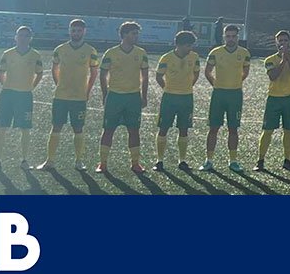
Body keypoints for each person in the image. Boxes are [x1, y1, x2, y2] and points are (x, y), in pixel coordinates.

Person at [36, 19, 98, 172]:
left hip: (79, 97)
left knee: (78, 128)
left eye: (79, 30)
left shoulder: (91, 51)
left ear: (84, 31)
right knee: (56, 127)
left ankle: (78, 161)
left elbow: (94, 72)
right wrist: (59, 85)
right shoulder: (60, 49)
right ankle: (50, 161)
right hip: (61, 96)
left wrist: (87, 90)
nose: (76, 33)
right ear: (69, 31)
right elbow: (54, 68)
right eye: (73, 30)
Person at [97, 21, 149, 175]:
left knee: (134, 130)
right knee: (108, 130)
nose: (136, 36)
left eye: (137, 33)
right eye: (133, 33)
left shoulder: (141, 53)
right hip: (115, 97)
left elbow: (145, 77)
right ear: (124, 34)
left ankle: (135, 163)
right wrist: (105, 94)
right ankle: (103, 163)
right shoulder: (111, 53)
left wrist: (144, 96)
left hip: (133, 97)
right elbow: (102, 75)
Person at [0, 25, 42, 171]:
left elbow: (39, 73)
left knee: (25, 128)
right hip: (8, 95)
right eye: (20, 35)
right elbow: (2, 72)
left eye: (26, 35)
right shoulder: (7, 53)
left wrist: (31, 87)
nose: (23, 38)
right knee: (2, 127)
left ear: (30, 38)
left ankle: (24, 160)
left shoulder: (35, 55)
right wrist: (6, 86)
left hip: (25, 95)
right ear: (15, 37)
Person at [202, 24, 251, 172]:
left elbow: (245, 71)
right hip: (219, 94)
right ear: (224, 37)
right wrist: (215, 84)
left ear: (238, 37)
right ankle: (208, 160)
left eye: (233, 36)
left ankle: (233, 161)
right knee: (213, 128)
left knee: (233, 128)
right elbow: (208, 71)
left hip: (235, 95)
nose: (231, 39)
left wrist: (236, 83)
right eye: (228, 36)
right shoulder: (215, 52)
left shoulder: (244, 53)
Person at [154, 30, 201, 171]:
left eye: (191, 45)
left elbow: (196, 73)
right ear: (178, 45)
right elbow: (158, 76)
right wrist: (167, 88)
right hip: (169, 98)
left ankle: (182, 161)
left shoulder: (194, 57)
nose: (190, 48)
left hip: (187, 98)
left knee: (184, 129)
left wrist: (188, 86)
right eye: (187, 45)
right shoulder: (166, 58)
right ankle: (159, 161)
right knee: (163, 129)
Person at [256, 30, 290, 171]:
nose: (283, 43)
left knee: (288, 130)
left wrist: (288, 58)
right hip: (274, 99)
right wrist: (283, 60)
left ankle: (287, 160)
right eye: (280, 41)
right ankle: (260, 160)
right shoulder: (270, 60)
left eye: (285, 40)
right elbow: (273, 76)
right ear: (276, 43)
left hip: (289, 99)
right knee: (268, 130)